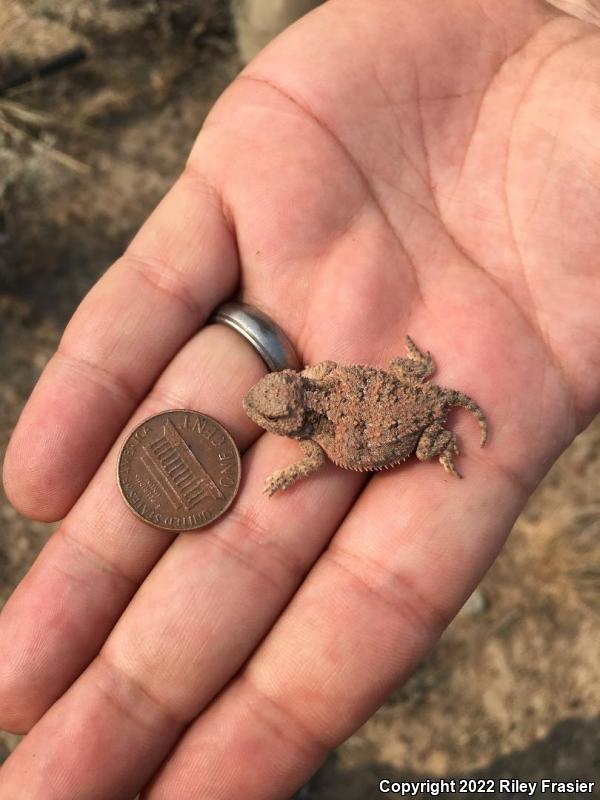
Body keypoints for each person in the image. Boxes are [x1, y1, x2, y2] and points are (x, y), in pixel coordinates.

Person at [1, 0, 600, 797]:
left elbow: (318, 452)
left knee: (433, 435)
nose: (262, 409)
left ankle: (450, 441)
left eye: (271, 409)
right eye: (270, 403)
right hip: (404, 388)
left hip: (413, 415)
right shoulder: (315, 384)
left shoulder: (319, 421)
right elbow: (348, 389)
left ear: (296, 405)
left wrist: (297, 474)